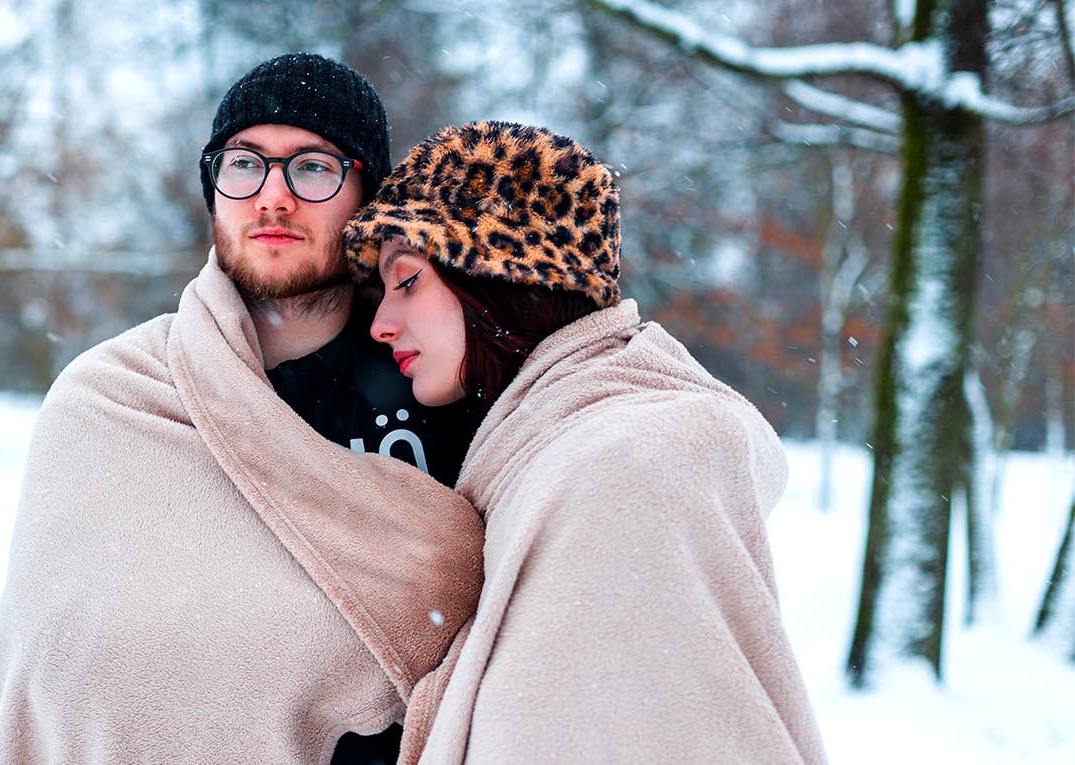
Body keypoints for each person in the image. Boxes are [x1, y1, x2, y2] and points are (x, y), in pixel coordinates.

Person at [0, 54, 485, 764]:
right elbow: (61, 676)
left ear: (368, 197)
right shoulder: (112, 399)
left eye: (313, 167)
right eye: (244, 164)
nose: (272, 197)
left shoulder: (440, 389)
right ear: (213, 190)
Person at [344, 121, 828, 764]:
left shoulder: (615, 472)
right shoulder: (558, 449)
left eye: (406, 280)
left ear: (505, 273)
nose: (380, 323)